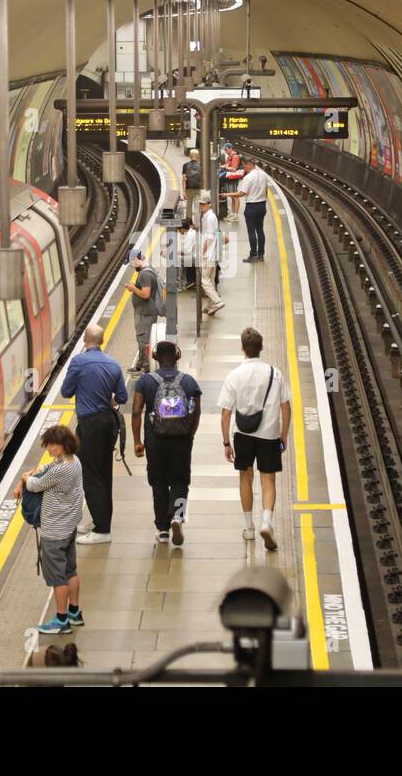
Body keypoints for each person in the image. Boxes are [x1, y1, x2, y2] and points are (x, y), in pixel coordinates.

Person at [218, 327, 291, 550]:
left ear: (242, 348)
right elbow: (286, 408)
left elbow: (226, 413)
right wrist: (283, 436)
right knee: (268, 481)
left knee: (245, 478)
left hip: (243, 435)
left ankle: (249, 528)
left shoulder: (234, 375)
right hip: (269, 435)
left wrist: (226, 442)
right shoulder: (274, 373)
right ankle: (266, 521)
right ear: (261, 348)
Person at [130, 340, 202, 545]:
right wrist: (191, 435)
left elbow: (136, 412)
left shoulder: (145, 381)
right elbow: (196, 412)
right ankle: (178, 516)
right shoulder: (189, 382)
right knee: (180, 481)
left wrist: (137, 441)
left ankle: (162, 529)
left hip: (155, 441)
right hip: (182, 440)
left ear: (156, 358)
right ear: (177, 357)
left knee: (158, 483)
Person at [15, 424, 85, 634]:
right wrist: (25, 480)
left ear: (64, 445)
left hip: (55, 530)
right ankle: (74, 612)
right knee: (70, 570)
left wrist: (25, 479)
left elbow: (36, 485)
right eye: (48, 445)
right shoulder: (73, 461)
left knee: (58, 578)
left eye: (53, 446)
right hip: (69, 525)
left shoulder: (62, 469)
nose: (49, 450)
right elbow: (46, 469)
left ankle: (61, 621)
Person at [60, 325, 127, 544]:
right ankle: (101, 521)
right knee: (104, 473)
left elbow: (66, 392)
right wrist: (109, 402)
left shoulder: (79, 362)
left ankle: (102, 530)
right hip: (108, 422)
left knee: (90, 475)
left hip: (90, 424)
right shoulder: (113, 363)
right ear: (103, 339)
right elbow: (122, 397)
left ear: (84, 340)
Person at [223, 155, 271, 262]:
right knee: (260, 230)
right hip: (262, 205)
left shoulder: (248, 178)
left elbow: (241, 193)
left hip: (252, 206)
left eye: (245, 165)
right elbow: (266, 191)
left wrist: (226, 194)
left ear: (250, 165)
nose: (244, 167)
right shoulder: (263, 175)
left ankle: (253, 255)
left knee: (251, 231)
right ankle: (261, 255)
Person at [124, 247, 160, 374]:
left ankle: (147, 369)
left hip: (145, 313)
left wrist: (132, 288)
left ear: (135, 260)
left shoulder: (144, 274)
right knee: (143, 339)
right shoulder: (148, 270)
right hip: (145, 312)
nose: (131, 266)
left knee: (143, 341)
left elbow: (146, 294)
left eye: (131, 263)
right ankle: (140, 364)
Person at [196, 191, 225, 316]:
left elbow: (209, 237)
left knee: (204, 281)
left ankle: (217, 302)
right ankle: (210, 305)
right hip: (212, 254)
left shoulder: (210, 217)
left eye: (204, 204)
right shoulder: (208, 216)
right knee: (210, 281)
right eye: (201, 204)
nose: (202, 206)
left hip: (208, 254)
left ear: (209, 204)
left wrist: (202, 252)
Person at [182, 149, 202, 221]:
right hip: (198, 189)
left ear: (190, 156)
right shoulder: (200, 165)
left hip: (188, 189)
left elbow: (184, 179)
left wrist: (184, 191)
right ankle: (197, 225)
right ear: (198, 156)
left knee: (188, 207)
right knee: (197, 208)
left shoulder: (185, 165)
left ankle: (189, 223)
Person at [177, 217, 196, 291]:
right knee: (182, 260)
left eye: (179, 229)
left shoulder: (189, 235)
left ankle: (180, 285)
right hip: (196, 257)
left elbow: (187, 251)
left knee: (177, 260)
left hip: (195, 258)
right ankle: (183, 284)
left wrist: (176, 252)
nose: (179, 231)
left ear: (182, 229)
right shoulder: (192, 232)